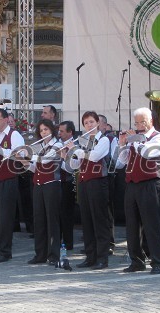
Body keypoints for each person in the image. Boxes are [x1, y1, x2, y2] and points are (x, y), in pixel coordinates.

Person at [117, 107, 160, 274]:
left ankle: (158, 261)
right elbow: (122, 161)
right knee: (132, 225)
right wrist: (122, 145)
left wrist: (134, 140)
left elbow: (147, 153)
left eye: (142, 122)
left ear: (151, 121)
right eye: (136, 122)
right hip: (132, 184)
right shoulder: (135, 139)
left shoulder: (159, 137)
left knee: (152, 224)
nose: (139, 125)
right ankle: (137, 261)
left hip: (150, 183)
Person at [66, 111, 111, 270]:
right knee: (87, 221)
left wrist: (77, 150)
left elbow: (95, 156)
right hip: (84, 182)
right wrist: (71, 152)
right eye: (86, 123)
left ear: (98, 123)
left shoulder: (103, 140)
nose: (89, 125)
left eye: (91, 122)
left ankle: (102, 258)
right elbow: (75, 166)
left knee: (99, 220)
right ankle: (90, 256)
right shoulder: (84, 141)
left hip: (98, 182)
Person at [0, 108, 24, 262]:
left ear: (6, 119)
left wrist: (0, 150)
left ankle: (5, 250)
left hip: (8, 179)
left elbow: (19, 154)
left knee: (5, 217)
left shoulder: (14, 135)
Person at [25, 119, 62, 265]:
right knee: (39, 220)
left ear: (52, 130)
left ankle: (54, 255)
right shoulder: (40, 146)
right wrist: (23, 161)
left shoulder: (57, 145)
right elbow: (36, 168)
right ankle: (40, 254)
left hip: (52, 185)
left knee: (52, 220)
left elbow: (46, 160)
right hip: (38, 185)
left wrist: (28, 154)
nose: (43, 133)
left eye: (46, 129)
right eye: (41, 131)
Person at [98, 114, 118, 254]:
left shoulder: (111, 139)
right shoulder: (90, 139)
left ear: (105, 125)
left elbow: (116, 158)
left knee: (107, 210)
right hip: (93, 178)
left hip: (107, 177)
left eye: (98, 123)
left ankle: (109, 242)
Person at [58, 121, 77, 250]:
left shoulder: (75, 145)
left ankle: (68, 242)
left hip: (69, 182)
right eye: (59, 131)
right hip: (58, 182)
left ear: (70, 132)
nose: (59, 133)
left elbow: (71, 168)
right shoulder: (58, 144)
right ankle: (58, 240)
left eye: (62, 131)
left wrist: (63, 158)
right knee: (58, 213)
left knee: (66, 214)